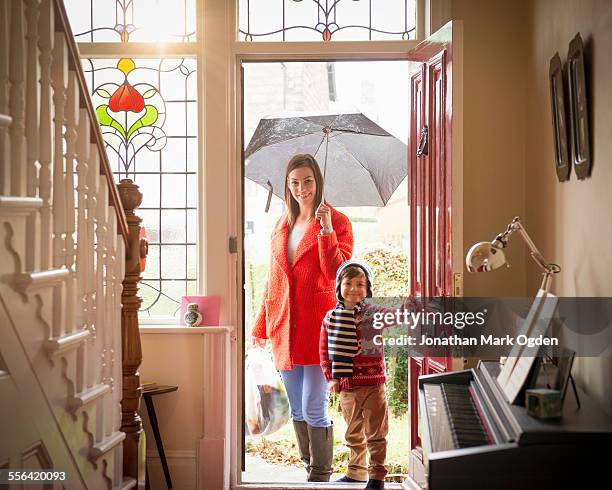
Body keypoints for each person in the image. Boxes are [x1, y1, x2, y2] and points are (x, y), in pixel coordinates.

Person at [251, 153, 353, 482]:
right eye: (294, 182)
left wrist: (325, 230)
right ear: (287, 185)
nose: (301, 188)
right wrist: (260, 325)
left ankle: (320, 474)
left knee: (313, 406)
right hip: (285, 327)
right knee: (296, 408)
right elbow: (273, 279)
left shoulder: (337, 221)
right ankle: (311, 466)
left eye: (307, 181)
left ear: (318, 181)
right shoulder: (282, 224)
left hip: (320, 328)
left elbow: (338, 273)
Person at [319, 259, 410, 490]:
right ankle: (356, 472)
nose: (353, 289)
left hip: (373, 384)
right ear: (339, 286)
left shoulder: (373, 313)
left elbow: (396, 316)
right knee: (353, 433)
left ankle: (377, 476)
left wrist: (409, 306)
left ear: (368, 289)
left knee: (376, 433)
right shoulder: (330, 318)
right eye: (348, 283)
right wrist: (331, 376)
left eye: (360, 284)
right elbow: (324, 351)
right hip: (346, 384)